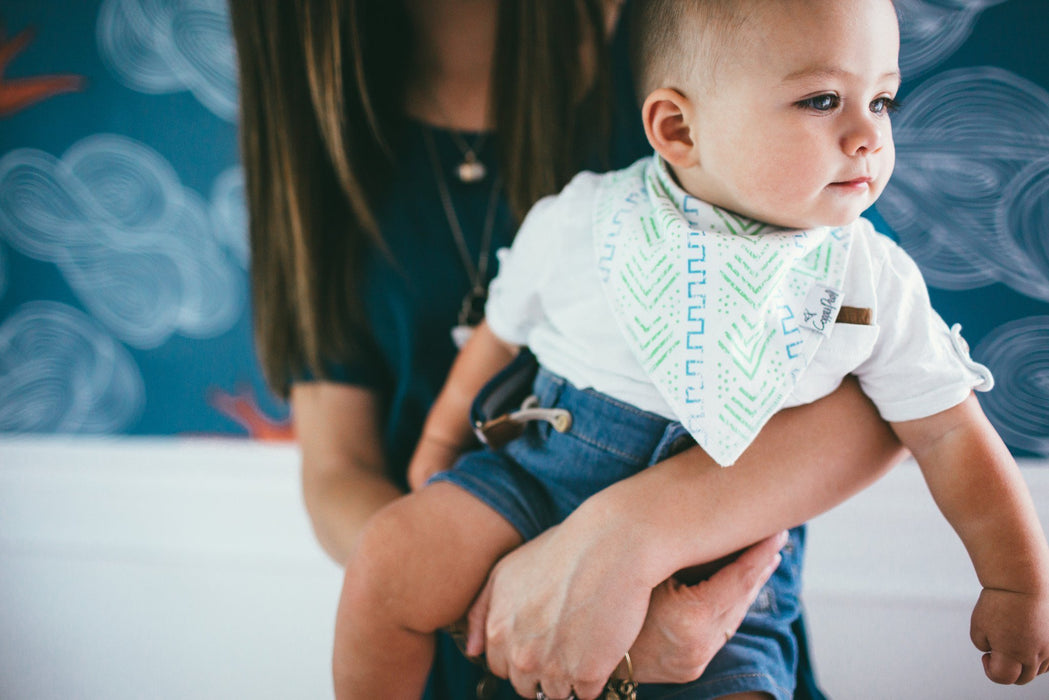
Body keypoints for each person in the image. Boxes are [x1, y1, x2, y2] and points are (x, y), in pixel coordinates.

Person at [333, 0, 1049, 698]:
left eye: (882, 101)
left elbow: (950, 429)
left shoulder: (868, 275)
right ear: (677, 128)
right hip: (539, 471)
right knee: (389, 558)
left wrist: (1015, 580)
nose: (867, 135)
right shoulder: (588, 216)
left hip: (723, 559)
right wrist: (438, 442)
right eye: (822, 100)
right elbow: (499, 332)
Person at [228, 1, 906, 699]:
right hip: (460, 653)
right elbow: (337, 471)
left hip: (706, 635)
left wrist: (629, 541)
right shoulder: (322, 135)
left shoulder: (709, 45)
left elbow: (890, 400)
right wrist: (518, 612)